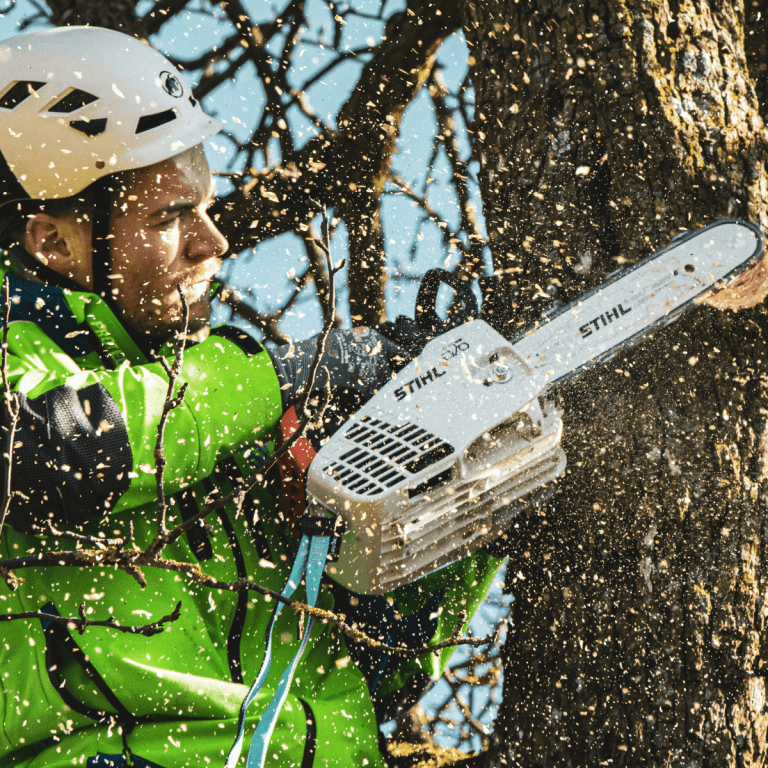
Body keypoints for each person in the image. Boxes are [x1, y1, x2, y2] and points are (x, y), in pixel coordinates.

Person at [0, 26, 504, 768]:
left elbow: (370, 669)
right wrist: (288, 373)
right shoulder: (34, 364)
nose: (213, 243)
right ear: (52, 241)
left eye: (204, 208)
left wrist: (453, 509)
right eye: (169, 217)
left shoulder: (211, 417)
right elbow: (48, 454)